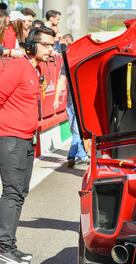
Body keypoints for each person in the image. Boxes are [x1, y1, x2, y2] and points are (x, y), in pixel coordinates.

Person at [0, 26, 56, 264]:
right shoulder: (17, 67)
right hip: (10, 139)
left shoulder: (37, 68)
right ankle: (3, 248)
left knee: (20, 193)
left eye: (53, 45)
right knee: (12, 193)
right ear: (32, 46)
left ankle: (8, 245)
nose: (51, 50)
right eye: (47, 45)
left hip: (26, 139)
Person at [53, 35, 90, 168]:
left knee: (76, 129)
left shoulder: (80, 60)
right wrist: (56, 98)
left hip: (79, 102)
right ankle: (76, 154)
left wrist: (56, 99)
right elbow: (61, 80)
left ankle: (77, 155)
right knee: (75, 129)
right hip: (73, 102)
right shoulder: (69, 61)